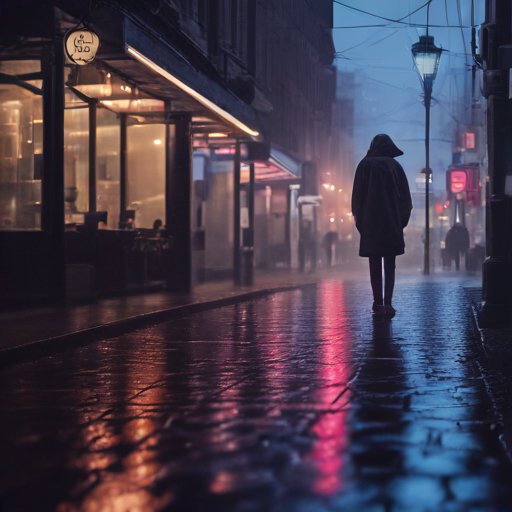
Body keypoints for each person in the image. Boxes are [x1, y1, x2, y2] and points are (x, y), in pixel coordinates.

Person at [351, 134, 413, 316]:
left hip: (370, 224)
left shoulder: (364, 165)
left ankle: (377, 302)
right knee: (390, 265)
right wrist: (400, 223)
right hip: (391, 222)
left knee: (374, 265)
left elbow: (357, 199)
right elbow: (406, 200)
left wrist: (362, 223)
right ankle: (388, 302)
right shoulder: (395, 166)